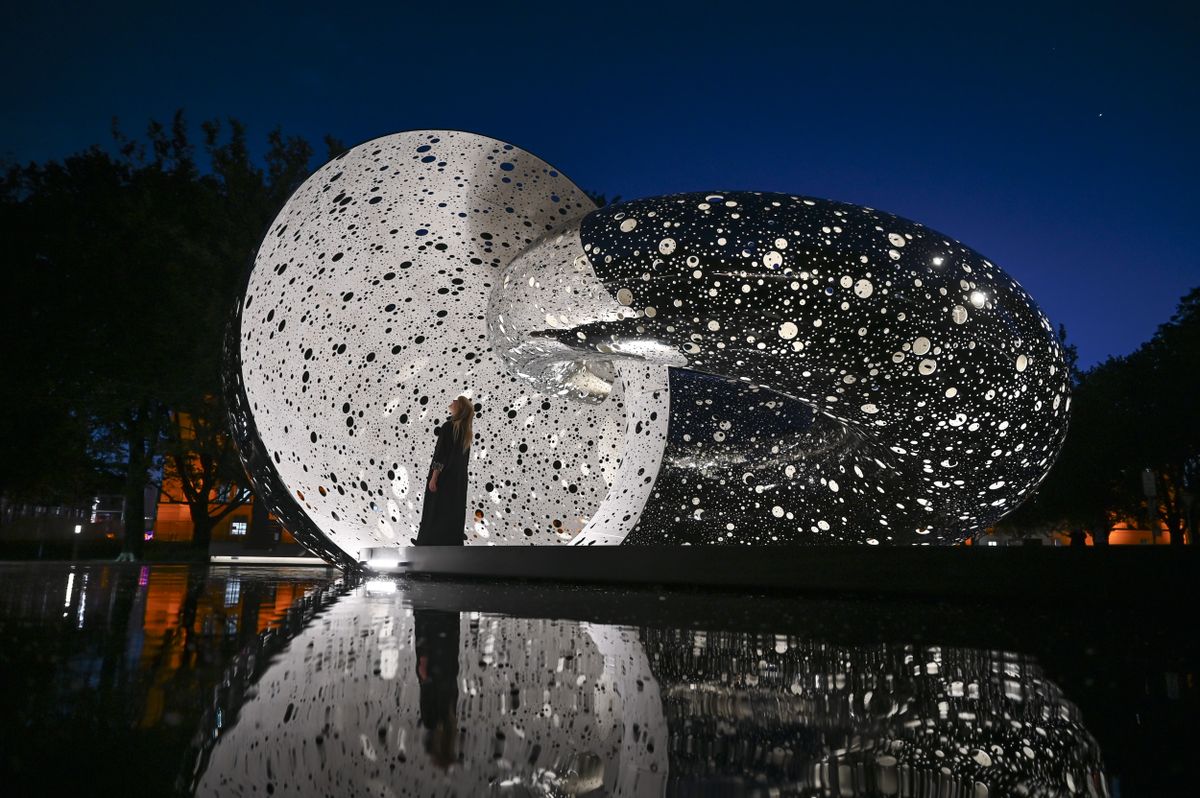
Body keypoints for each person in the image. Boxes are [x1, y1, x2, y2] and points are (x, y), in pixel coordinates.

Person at [414, 395, 474, 546]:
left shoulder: (448, 426)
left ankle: (427, 542)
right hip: (458, 481)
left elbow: (441, 455)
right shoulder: (466, 432)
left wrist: (434, 477)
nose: (452, 401)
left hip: (444, 478)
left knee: (435, 510)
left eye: (456, 401)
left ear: (459, 407)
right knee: (451, 512)